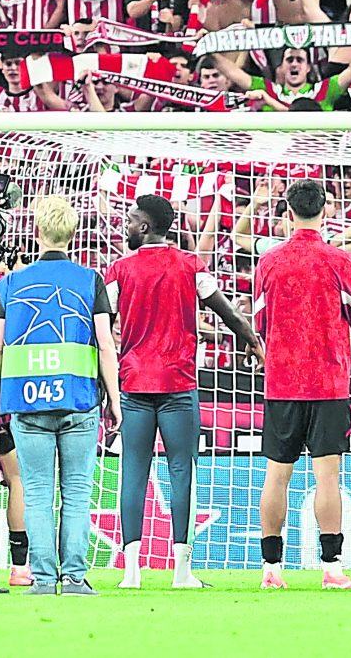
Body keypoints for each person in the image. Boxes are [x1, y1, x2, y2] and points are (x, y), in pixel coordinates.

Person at [104, 193, 258, 590]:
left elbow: (100, 324)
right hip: (177, 383)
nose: (125, 224)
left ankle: (132, 573)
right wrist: (252, 340)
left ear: (146, 227)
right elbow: (226, 311)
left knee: (132, 472)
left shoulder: (119, 270)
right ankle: (182, 573)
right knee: (181, 473)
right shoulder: (191, 266)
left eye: (131, 218)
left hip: (134, 383)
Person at [0, 194, 117, 596]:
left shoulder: (10, 284)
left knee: (38, 492)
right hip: (79, 399)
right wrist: (114, 397)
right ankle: (75, 578)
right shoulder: (90, 280)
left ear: (38, 232)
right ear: (72, 234)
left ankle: (42, 579)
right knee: (77, 492)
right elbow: (106, 343)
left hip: (27, 400)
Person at [250, 177, 351, 589]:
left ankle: (271, 570)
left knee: (276, 475)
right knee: (328, 477)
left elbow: (260, 323)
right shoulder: (340, 261)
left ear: (287, 213)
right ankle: (332, 569)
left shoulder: (269, 261)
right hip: (328, 381)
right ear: (327, 211)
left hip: (282, 382)